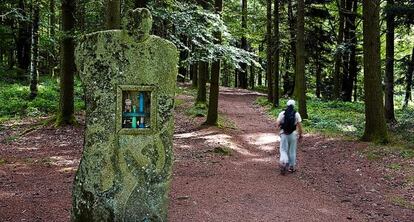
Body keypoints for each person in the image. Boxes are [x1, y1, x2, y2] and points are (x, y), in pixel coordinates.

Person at [276, 99, 303, 175]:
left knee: (283, 149)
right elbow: (299, 126)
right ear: (294, 106)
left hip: (284, 134)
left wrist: (281, 126)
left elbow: (277, 124)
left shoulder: (282, 113)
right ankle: (292, 167)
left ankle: (284, 162)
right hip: (293, 134)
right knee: (292, 150)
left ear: (287, 105)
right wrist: (300, 134)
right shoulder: (296, 114)